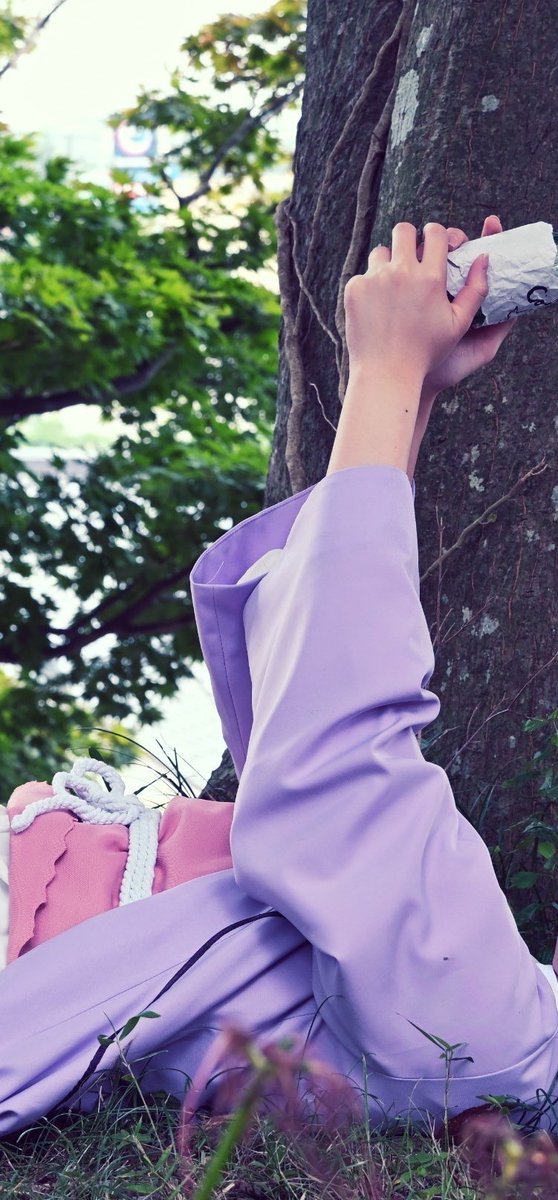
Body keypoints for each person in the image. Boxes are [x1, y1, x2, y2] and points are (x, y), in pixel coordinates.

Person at [0, 215, 557, 1139]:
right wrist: (409, 391)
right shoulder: (503, 1023)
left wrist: (387, 374)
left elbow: (332, 779)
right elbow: (316, 726)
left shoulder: (498, 1045)